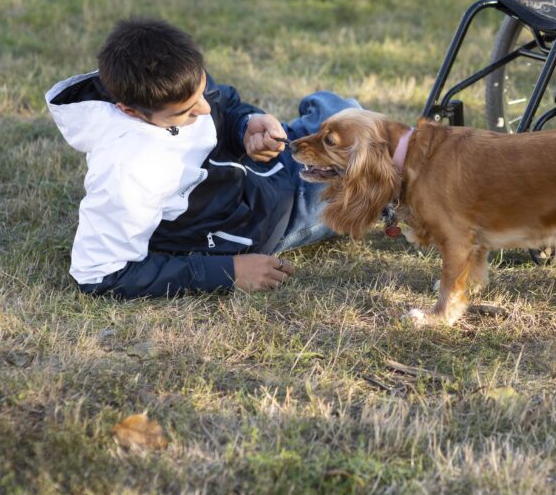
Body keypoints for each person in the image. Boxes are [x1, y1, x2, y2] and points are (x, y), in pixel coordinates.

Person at [45, 18, 359, 298]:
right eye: (185, 112)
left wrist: (246, 126)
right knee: (366, 166)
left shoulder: (174, 76)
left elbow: (224, 104)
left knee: (336, 107)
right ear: (129, 111)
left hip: (259, 171)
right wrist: (228, 271)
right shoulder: (127, 170)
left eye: (201, 90)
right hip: (263, 221)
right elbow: (99, 274)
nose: (203, 109)